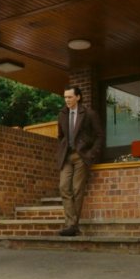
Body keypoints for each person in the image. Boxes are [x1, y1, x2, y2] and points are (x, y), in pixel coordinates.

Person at [55, 85, 104, 236]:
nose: (67, 100)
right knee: (64, 187)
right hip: (67, 156)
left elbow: (99, 136)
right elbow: (61, 136)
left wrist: (90, 154)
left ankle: (71, 225)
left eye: (69, 97)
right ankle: (72, 224)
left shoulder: (89, 114)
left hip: (82, 156)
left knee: (77, 189)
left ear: (78, 97)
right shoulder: (62, 114)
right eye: (65, 97)